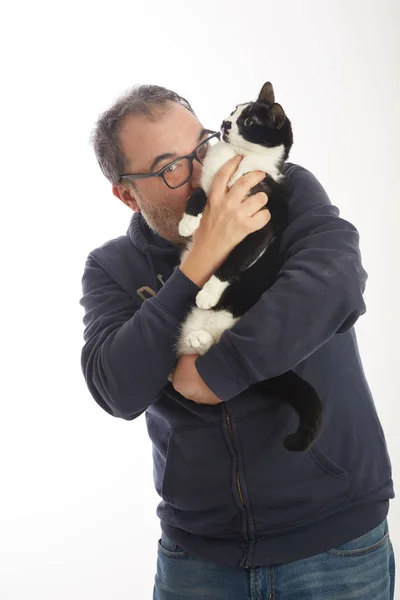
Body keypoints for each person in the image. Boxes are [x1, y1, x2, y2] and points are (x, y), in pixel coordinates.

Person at [79, 84, 395, 599]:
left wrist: (215, 371)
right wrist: (202, 256)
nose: (203, 170)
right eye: (169, 169)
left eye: (200, 146)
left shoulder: (281, 189)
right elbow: (117, 388)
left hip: (335, 546)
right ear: (127, 194)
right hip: (197, 558)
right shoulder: (111, 267)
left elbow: (336, 281)